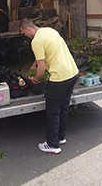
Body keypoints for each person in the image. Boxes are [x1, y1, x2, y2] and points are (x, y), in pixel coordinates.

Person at [19, 19, 79, 154]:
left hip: (60, 78)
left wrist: (36, 79)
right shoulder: (49, 31)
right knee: (63, 107)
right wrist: (35, 63)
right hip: (72, 73)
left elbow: (42, 68)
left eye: (24, 33)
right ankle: (60, 137)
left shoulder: (36, 41)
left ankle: (53, 144)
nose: (25, 36)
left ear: (27, 29)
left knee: (52, 111)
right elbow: (47, 52)